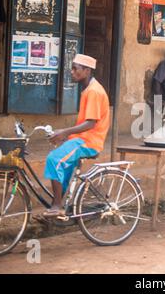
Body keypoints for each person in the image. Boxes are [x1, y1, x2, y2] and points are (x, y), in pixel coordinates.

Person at [43, 54, 110, 217]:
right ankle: (59, 206)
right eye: (72, 68)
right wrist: (66, 136)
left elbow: (90, 123)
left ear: (87, 71)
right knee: (62, 165)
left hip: (89, 142)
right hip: (82, 139)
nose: (72, 72)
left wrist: (64, 132)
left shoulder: (94, 91)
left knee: (54, 159)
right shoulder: (88, 89)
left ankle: (57, 205)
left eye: (75, 69)